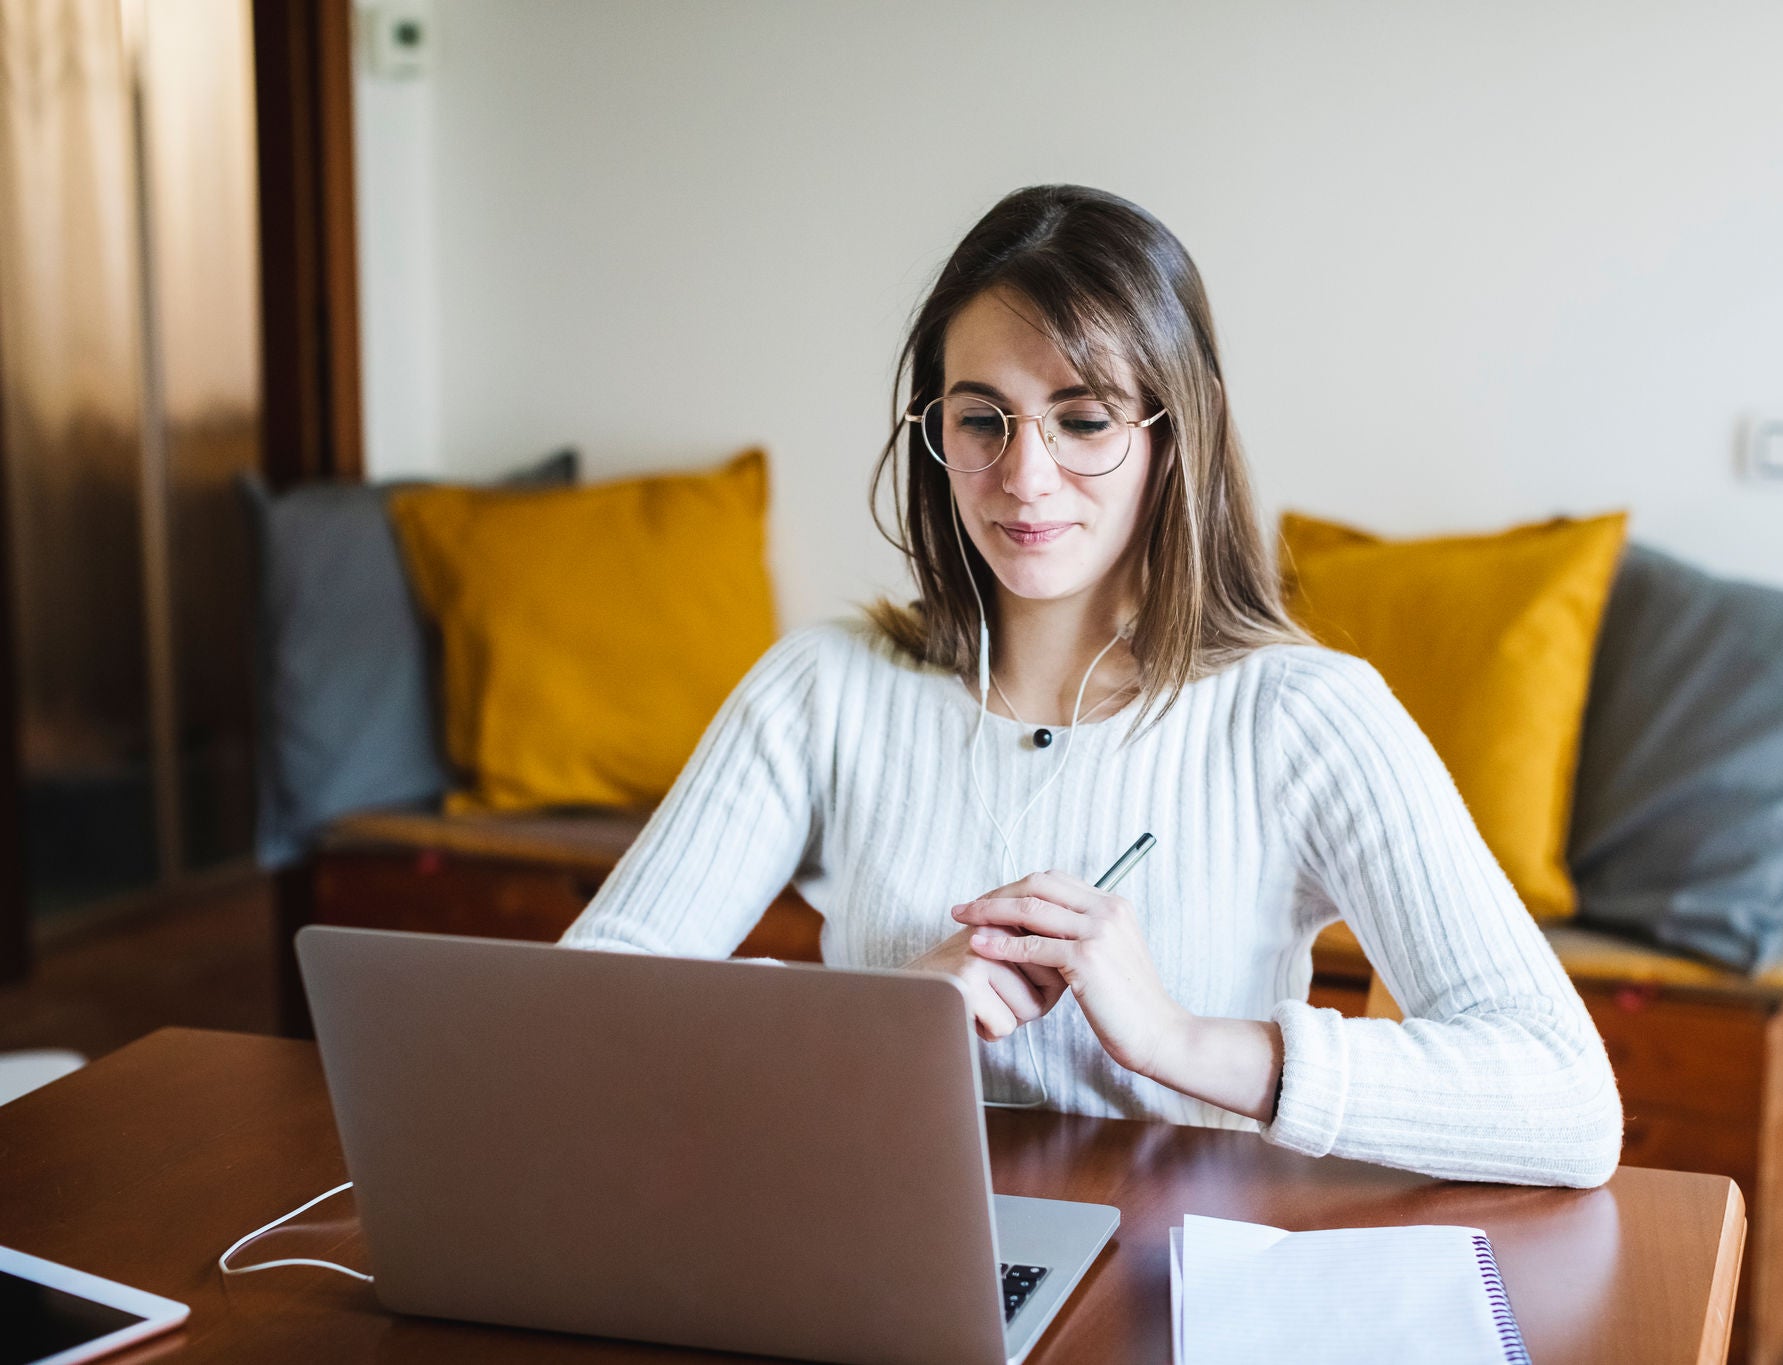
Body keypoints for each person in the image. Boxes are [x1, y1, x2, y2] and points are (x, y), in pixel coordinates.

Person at [561, 185, 1623, 1188]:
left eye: (1083, 419)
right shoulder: (819, 691)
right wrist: (882, 1022)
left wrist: (1178, 1041)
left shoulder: (1306, 717)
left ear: (1176, 433)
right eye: (981, 419)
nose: (1023, 478)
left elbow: (1566, 1104)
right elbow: (579, 1025)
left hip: (1174, 1282)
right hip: (874, 1254)